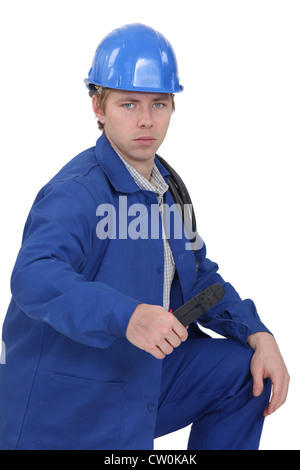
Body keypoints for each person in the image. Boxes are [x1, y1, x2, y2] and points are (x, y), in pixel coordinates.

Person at [0, 23, 289, 450]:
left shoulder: (167, 189)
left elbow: (199, 280)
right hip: (67, 400)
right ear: (98, 106)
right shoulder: (77, 191)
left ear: (173, 106)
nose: (146, 120)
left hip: (138, 377)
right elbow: (34, 275)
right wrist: (129, 315)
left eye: (159, 103)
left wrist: (258, 333)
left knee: (249, 372)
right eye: (128, 103)